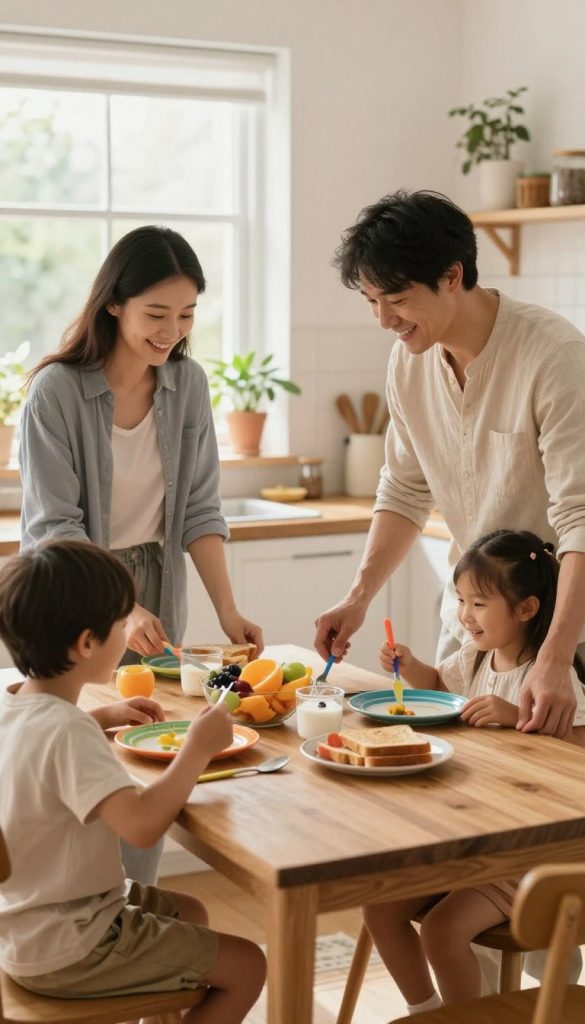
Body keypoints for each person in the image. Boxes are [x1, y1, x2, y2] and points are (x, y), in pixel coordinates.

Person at [315, 189, 585, 740]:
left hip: (562, 637)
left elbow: (580, 516)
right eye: (371, 301)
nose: (384, 319)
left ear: (451, 275)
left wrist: (556, 657)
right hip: (474, 632)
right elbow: (404, 491)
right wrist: (358, 597)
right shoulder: (408, 362)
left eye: (396, 298)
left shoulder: (553, 356)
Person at [0, 540, 266, 1022]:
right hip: (74, 941)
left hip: (27, 923)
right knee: (249, 965)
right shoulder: (68, 731)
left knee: (190, 912)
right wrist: (197, 748)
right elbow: (142, 826)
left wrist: (103, 716)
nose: (127, 636)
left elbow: (46, 748)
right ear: (86, 643)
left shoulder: (12, 705)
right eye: (122, 625)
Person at [19, 224, 263, 665]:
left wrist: (228, 612)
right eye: (155, 314)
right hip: (73, 586)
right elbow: (56, 527)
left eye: (186, 314)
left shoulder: (188, 385)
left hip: (158, 584)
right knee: (77, 724)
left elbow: (199, 509)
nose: (172, 330)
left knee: (155, 725)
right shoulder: (55, 392)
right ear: (113, 303)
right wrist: (121, 607)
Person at [367, 529, 585, 1015]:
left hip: (530, 850)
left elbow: (579, 750)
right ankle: (430, 1012)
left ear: (526, 609)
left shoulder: (553, 679)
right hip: (473, 833)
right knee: (379, 906)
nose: (465, 615)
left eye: (479, 604)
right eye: (461, 599)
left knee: (444, 932)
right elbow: (439, 685)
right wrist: (411, 664)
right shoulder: (476, 658)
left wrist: (518, 718)